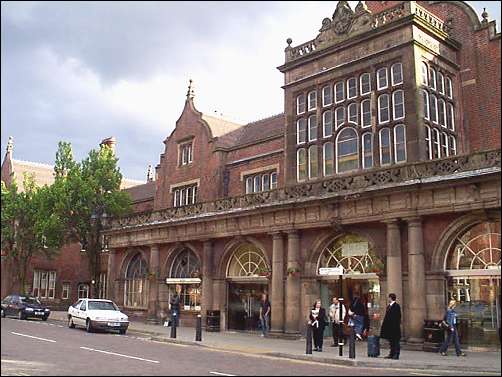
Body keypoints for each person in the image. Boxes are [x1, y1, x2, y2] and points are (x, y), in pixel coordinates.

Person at [380, 293, 402, 360]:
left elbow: (398, 317)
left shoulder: (396, 306)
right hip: (389, 327)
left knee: (396, 342)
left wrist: (395, 325)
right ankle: (391, 354)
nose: (388, 299)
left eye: (388, 298)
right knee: (391, 342)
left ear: (390, 298)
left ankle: (396, 354)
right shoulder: (388, 306)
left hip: (394, 327)